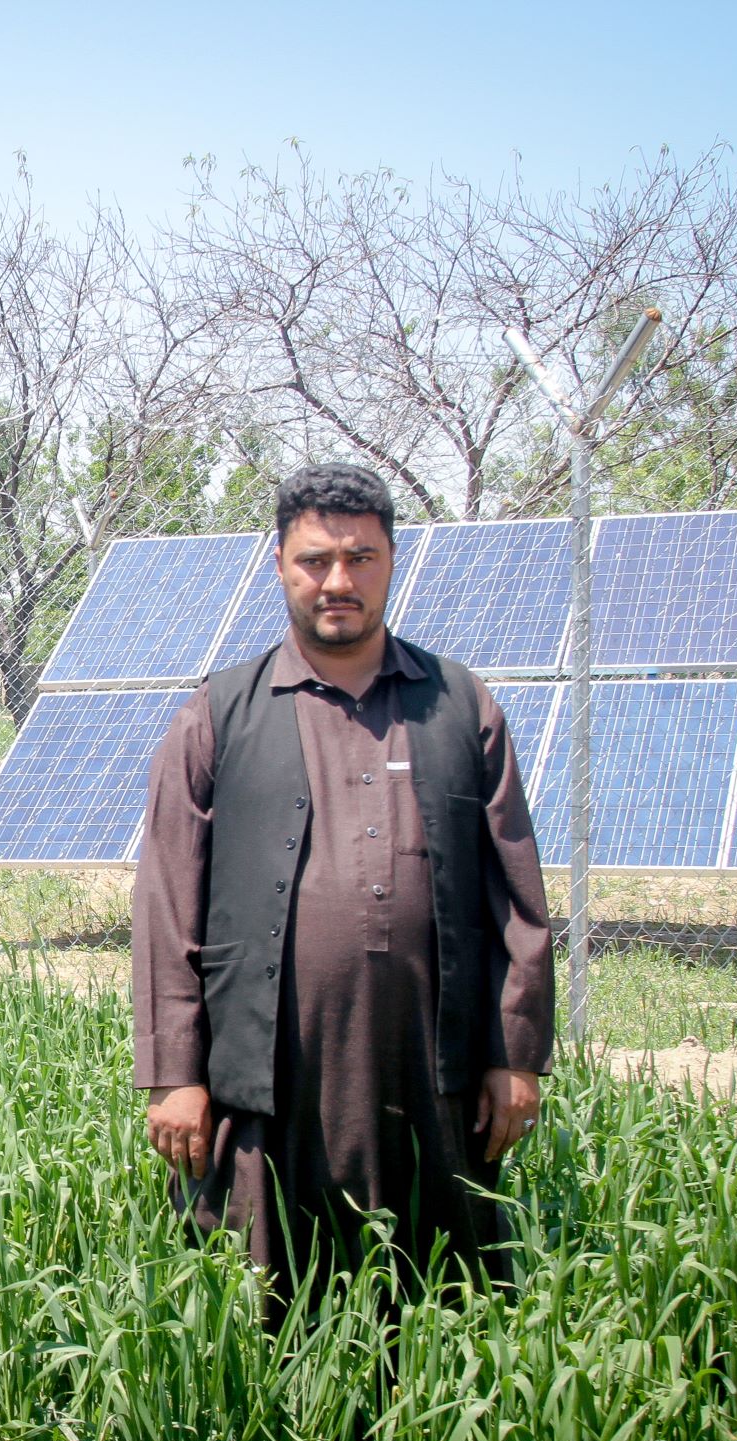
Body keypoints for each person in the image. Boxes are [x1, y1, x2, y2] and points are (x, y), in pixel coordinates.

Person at [132, 463, 553, 1302]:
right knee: (266, 1297)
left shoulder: (459, 705)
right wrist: (174, 1074)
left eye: (360, 559)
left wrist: (514, 1055)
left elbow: (516, 894)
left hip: (434, 1067)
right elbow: (166, 900)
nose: (337, 581)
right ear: (279, 567)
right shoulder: (219, 713)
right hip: (268, 1072)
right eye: (314, 560)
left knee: (443, 1297)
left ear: (392, 562)